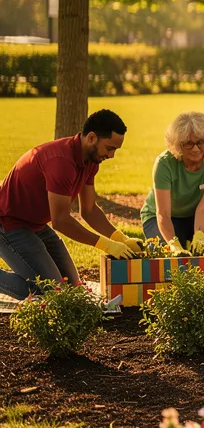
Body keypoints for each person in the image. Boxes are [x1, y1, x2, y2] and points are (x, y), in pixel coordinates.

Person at [0, 110, 140, 299]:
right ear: (91, 137)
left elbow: (89, 210)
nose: (112, 155)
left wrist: (120, 238)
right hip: (7, 223)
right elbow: (61, 221)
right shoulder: (61, 162)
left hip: (34, 224)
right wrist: (106, 245)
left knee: (73, 291)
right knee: (53, 294)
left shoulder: (91, 161)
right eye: (109, 148)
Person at [140, 111, 204, 252]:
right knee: (168, 256)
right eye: (188, 143)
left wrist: (199, 235)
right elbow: (163, 213)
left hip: (194, 216)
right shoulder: (164, 163)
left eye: (200, 142)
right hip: (162, 219)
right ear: (178, 144)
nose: (195, 149)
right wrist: (173, 244)